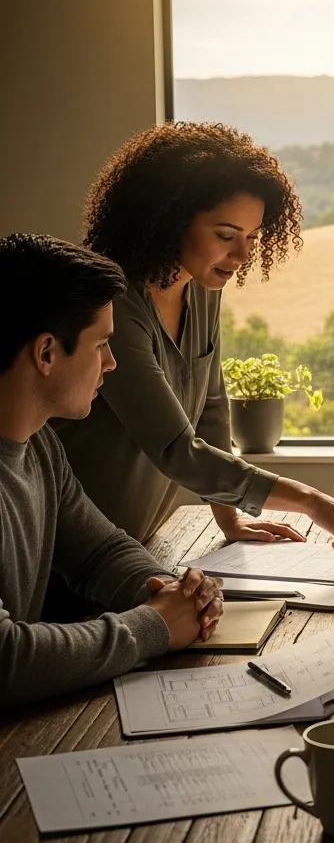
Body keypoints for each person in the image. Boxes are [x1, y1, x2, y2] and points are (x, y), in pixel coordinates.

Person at [54, 122, 334, 556]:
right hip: (72, 556)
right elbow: (178, 449)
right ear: (171, 218)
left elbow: (210, 409)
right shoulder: (115, 305)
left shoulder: (201, 288)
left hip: (134, 545)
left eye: (252, 237)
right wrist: (313, 501)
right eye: (226, 235)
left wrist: (230, 518)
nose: (242, 256)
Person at [0, 234, 223, 705]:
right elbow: (7, 657)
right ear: (46, 353)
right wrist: (155, 625)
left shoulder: (40, 445)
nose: (111, 362)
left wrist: (173, 591)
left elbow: (98, 552)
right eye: (101, 344)